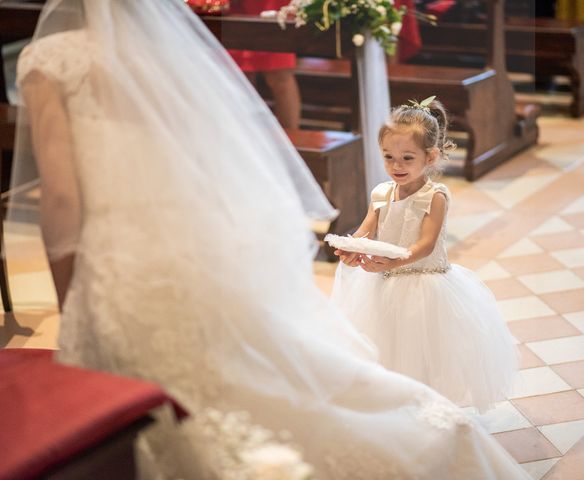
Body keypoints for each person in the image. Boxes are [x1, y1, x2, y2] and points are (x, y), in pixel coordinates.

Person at [9, 0, 531, 478]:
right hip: (195, 244)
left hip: (121, 256)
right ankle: (422, 434)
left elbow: (60, 199)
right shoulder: (165, 54)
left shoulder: (51, 59)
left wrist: (68, 291)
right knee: (249, 364)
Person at [331, 99, 518, 413]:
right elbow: (366, 230)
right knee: (386, 349)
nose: (396, 166)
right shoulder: (380, 193)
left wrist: (394, 260)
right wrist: (352, 249)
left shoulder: (435, 196)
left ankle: (430, 409)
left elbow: (426, 245)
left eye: (407, 158)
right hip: (384, 284)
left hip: (425, 286)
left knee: (424, 352)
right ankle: (396, 406)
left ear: (430, 157)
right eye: (389, 157)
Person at [228, 0, 302, 128]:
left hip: (271, 6)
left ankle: (291, 140)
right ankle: (245, 136)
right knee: (239, 76)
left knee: (279, 74)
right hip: (236, 9)